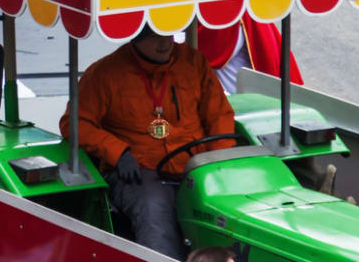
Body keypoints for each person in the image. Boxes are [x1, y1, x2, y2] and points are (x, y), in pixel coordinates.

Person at [62, 26, 235, 258]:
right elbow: (74, 124)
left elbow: (219, 115)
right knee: (155, 215)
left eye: (168, 36)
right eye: (154, 38)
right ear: (135, 38)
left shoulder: (194, 63)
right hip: (140, 172)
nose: (164, 43)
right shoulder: (105, 73)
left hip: (196, 167)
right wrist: (117, 152)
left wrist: (217, 163)